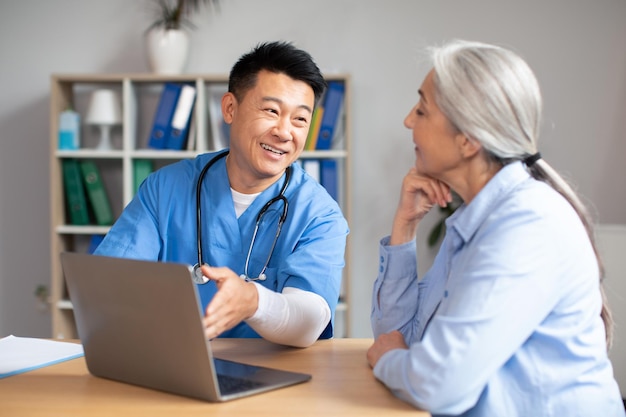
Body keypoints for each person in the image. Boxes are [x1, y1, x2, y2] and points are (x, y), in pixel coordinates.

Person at [366, 39, 625, 416]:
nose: (408, 120)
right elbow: (399, 337)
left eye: (422, 110)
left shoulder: (527, 225)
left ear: (468, 140)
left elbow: (437, 383)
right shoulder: (477, 223)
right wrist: (404, 229)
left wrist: (390, 360)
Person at [95, 41, 349, 348]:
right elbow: (108, 283)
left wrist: (253, 302)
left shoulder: (319, 213)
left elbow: (309, 319)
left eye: (300, 119)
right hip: (174, 365)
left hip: (274, 378)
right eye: (271, 110)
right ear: (230, 108)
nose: (284, 132)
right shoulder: (165, 190)